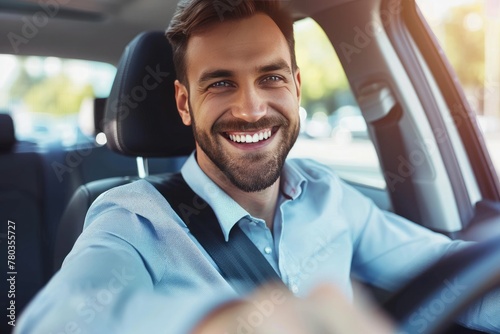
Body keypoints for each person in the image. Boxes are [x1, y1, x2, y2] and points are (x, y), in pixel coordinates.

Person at [15, 0, 498, 333]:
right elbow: (60, 317)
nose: (250, 109)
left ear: (296, 86)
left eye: (270, 77)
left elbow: (450, 273)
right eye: (220, 84)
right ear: (184, 103)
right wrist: (219, 323)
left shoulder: (328, 194)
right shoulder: (132, 219)